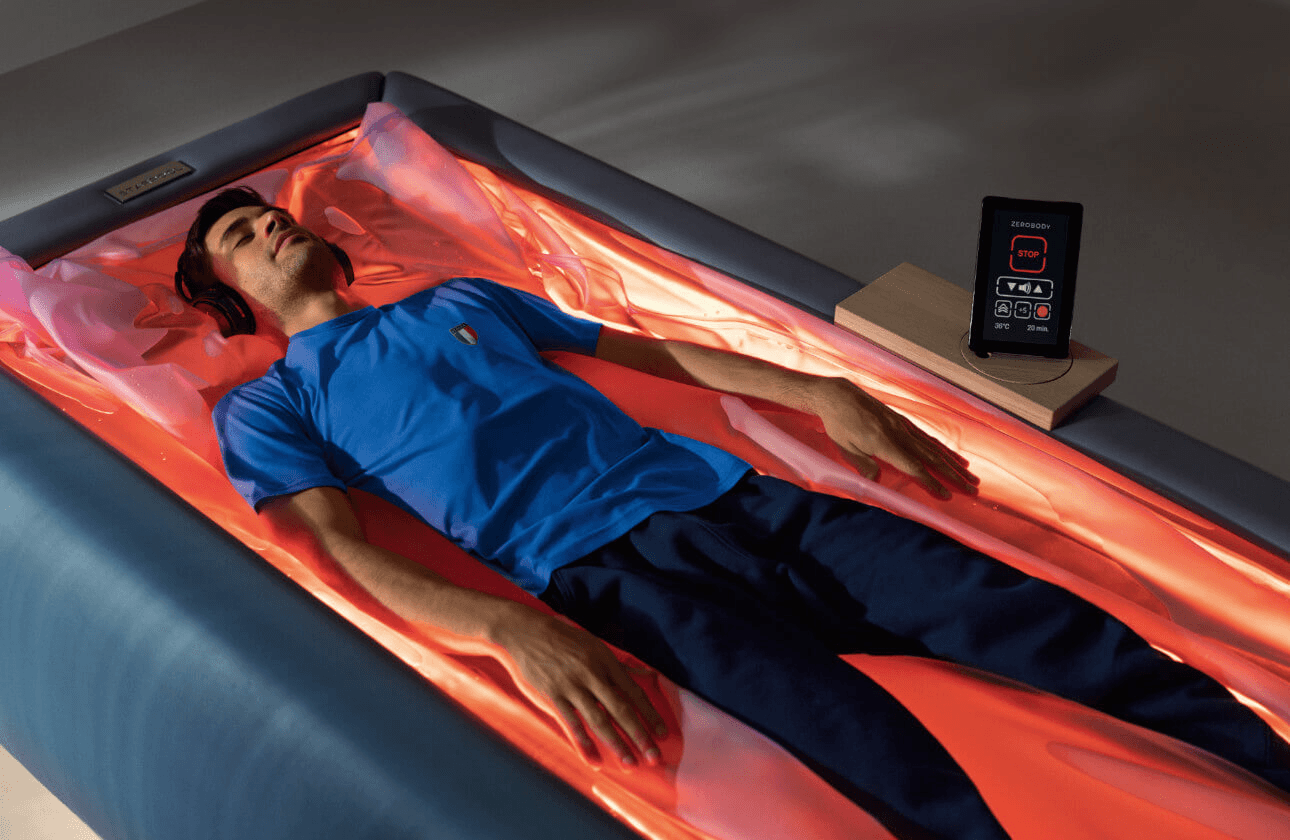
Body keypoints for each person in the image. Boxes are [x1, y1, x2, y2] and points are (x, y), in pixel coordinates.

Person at [177, 187, 1288, 840]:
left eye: (271, 214)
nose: (269, 227)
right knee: (880, 765)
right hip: (619, 583)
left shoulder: (459, 303)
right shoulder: (274, 404)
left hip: (746, 504)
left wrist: (822, 389)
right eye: (239, 236)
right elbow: (338, 550)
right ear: (232, 300)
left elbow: (645, 348)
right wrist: (506, 626)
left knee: (1063, 636)